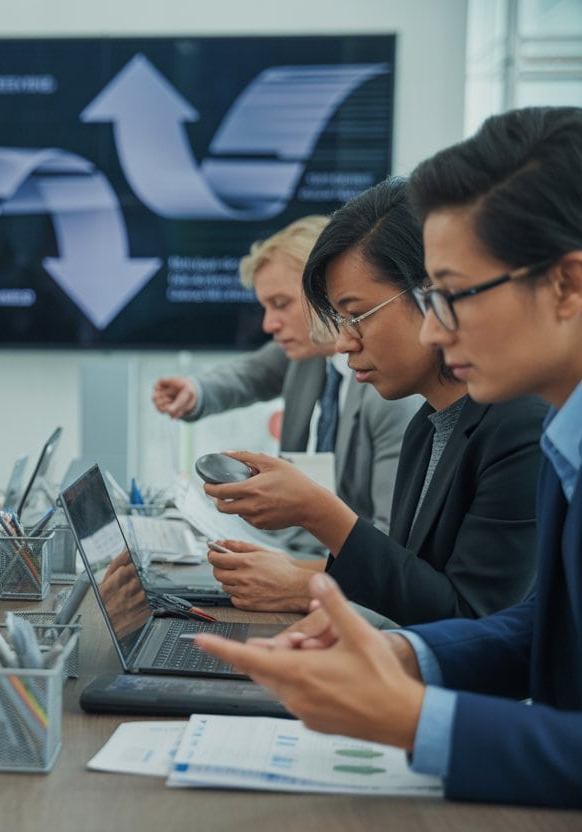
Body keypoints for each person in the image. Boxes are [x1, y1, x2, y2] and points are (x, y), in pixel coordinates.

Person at [197, 106, 582, 808]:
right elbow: (546, 626)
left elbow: (476, 609)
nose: (435, 330)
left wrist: (411, 715)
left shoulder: (531, 426)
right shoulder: (560, 430)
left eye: (454, 296)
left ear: (566, 284)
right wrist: (403, 656)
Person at [203, 178, 545, 625]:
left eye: (356, 316)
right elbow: (408, 588)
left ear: (435, 294)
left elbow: (469, 619)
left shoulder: (523, 427)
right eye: (339, 319)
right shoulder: (427, 425)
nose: (344, 342)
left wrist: (318, 513)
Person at [152, 216, 419, 542]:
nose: (269, 325)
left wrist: (290, 570)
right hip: (295, 545)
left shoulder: (391, 391)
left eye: (281, 304)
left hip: (344, 564)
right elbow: (250, 374)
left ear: (326, 291)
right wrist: (196, 391)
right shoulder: (308, 353)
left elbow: (390, 545)